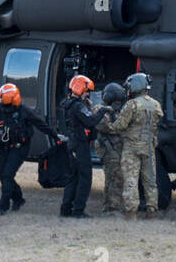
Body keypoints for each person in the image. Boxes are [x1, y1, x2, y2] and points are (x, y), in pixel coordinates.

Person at [0, 82, 60, 216]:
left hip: (19, 148)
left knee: (7, 175)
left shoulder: (24, 111)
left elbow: (40, 124)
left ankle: (3, 207)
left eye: (2, 100)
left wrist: (55, 135)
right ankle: (18, 199)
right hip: (4, 148)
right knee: (3, 176)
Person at [102, 72, 164, 220]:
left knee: (131, 180)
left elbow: (119, 126)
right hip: (149, 146)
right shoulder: (155, 104)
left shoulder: (132, 104)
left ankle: (131, 213)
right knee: (150, 181)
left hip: (132, 147)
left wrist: (106, 125)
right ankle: (152, 210)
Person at [59, 75, 110, 219]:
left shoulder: (68, 103)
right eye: (87, 91)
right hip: (80, 146)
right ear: (80, 88)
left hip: (72, 143)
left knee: (73, 178)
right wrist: (103, 111)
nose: (88, 94)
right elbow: (90, 121)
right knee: (85, 178)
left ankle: (66, 209)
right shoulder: (78, 106)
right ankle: (78, 211)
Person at [95, 82, 128, 215]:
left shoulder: (114, 111)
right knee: (114, 178)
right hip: (109, 149)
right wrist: (120, 127)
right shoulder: (100, 109)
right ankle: (112, 209)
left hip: (116, 149)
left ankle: (112, 206)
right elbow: (106, 127)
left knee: (116, 178)